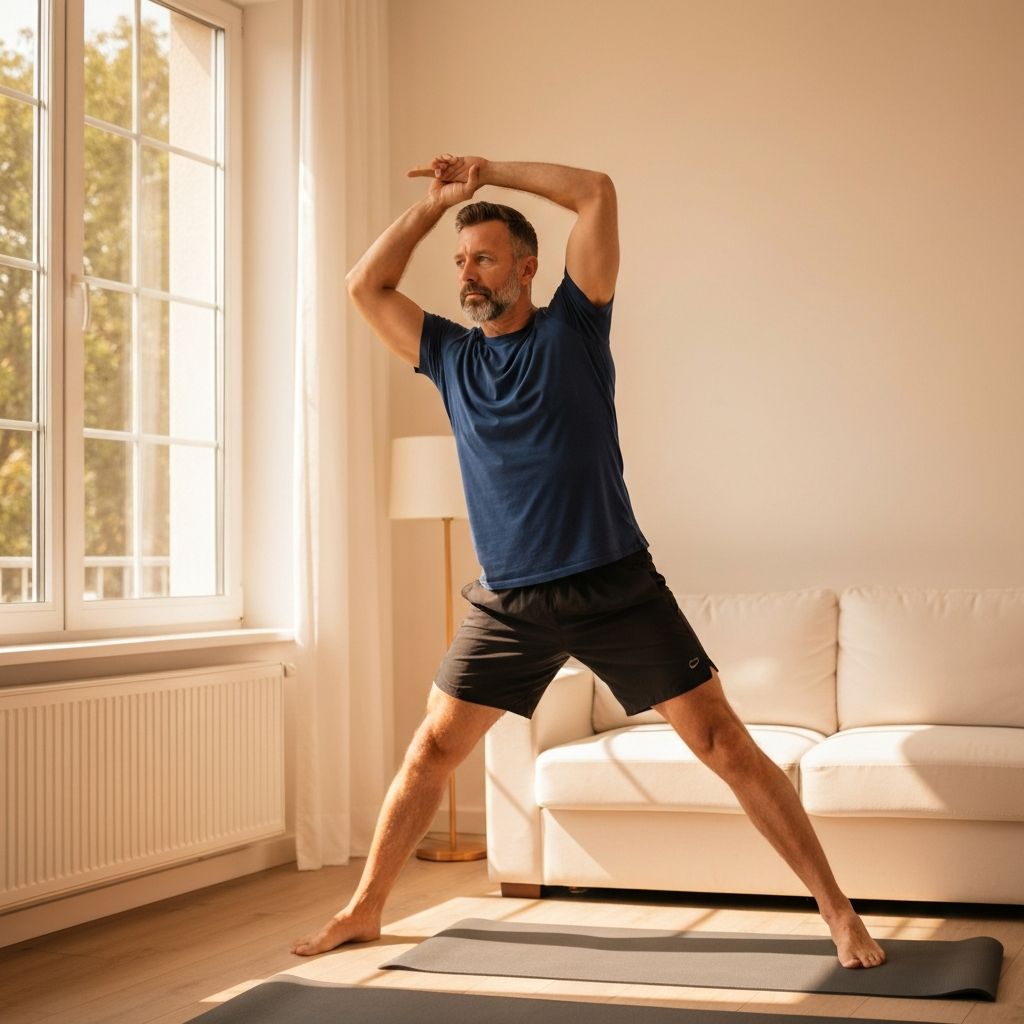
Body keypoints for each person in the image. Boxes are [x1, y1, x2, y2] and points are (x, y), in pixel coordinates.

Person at [292, 155, 886, 969]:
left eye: (486, 257)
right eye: (461, 261)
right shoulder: (449, 358)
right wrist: (436, 208)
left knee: (722, 743)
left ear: (527, 268)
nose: (467, 273)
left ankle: (839, 912)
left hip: (613, 582)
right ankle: (364, 909)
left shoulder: (575, 326)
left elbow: (597, 192)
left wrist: (490, 170)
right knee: (432, 750)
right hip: (509, 603)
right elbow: (364, 286)